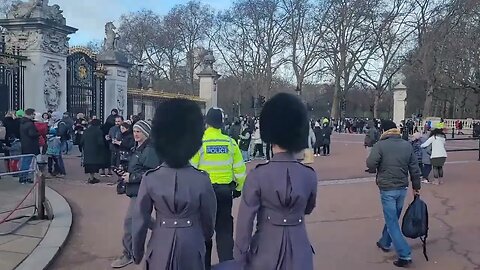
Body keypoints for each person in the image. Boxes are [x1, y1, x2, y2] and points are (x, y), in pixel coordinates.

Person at [233, 93, 317, 270]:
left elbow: (244, 225)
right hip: (300, 252)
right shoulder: (309, 175)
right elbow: (308, 209)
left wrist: (239, 259)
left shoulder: (258, 175)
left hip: (265, 252)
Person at [132, 99, 217, 270]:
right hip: (192, 243)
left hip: (160, 241)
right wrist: (203, 236)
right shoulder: (202, 179)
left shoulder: (150, 178)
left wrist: (137, 251)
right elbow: (209, 221)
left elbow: (140, 219)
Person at [191, 107, 246, 270]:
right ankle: (227, 266)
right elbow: (240, 170)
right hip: (224, 192)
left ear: (207, 123)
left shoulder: (199, 142)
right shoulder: (230, 142)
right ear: (222, 123)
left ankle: (204, 266)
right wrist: (238, 188)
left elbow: (192, 168)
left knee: (204, 233)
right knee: (224, 233)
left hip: (204, 193)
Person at [366, 120, 421, 268]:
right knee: (393, 217)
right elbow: (414, 168)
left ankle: (404, 254)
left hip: (387, 187)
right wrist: (416, 187)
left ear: (384, 130)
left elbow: (370, 163)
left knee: (392, 222)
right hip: (402, 187)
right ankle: (385, 241)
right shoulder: (406, 145)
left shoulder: (380, 145)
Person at [111, 120, 161, 269]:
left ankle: (129, 253)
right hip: (136, 188)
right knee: (143, 218)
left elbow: (152, 172)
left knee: (129, 222)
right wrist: (125, 172)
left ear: (146, 133)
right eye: (134, 131)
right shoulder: (138, 147)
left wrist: (131, 177)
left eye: (139, 131)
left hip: (142, 190)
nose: (136, 134)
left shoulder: (150, 149)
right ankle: (165, 229)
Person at [81, 119, 106, 184]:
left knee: (89, 164)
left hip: (87, 150)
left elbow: (81, 141)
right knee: (94, 164)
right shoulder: (98, 131)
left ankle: (91, 177)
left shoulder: (86, 130)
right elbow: (100, 142)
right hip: (95, 150)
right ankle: (92, 178)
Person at [19, 108, 40, 184]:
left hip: (25, 144)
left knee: (25, 161)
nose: (34, 116)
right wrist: (38, 133)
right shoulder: (30, 124)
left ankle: (23, 177)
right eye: (33, 114)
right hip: (30, 145)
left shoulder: (22, 123)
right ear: (30, 114)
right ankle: (23, 178)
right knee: (27, 162)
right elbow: (32, 134)